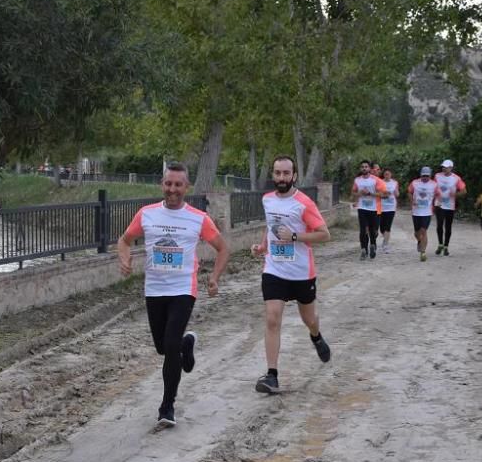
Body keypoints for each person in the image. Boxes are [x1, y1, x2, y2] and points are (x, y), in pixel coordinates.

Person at [118, 162, 230, 428]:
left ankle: (167, 408)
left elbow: (223, 249)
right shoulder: (147, 214)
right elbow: (124, 240)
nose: (173, 189)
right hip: (154, 289)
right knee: (162, 347)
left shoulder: (198, 218)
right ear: (162, 185)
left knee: (169, 346)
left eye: (178, 184)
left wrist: (213, 278)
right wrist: (125, 260)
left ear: (186, 187)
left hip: (183, 289)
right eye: (169, 184)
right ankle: (186, 344)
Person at [250, 156, 332, 394]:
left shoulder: (303, 203)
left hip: (301, 273)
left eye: (286, 173)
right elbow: (271, 227)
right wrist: (263, 246)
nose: (281, 178)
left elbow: (324, 234)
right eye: (277, 173)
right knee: (272, 318)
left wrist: (295, 237)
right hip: (274, 270)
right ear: (273, 175)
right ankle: (272, 375)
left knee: (309, 319)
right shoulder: (267, 200)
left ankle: (316, 336)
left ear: (294, 176)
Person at [350, 160, 387, 259]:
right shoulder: (357, 180)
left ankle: (373, 245)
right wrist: (359, 194)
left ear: (370, 168)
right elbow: (353, 193)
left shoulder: (375, 180)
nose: (364, 168)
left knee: (373, 230)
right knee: (363, 230)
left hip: (373, 208)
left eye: (366, 166)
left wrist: (370, 194)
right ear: (360, 169)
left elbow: (384, 194)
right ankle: (363, 250)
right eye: (362, 167)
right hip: (362, 207)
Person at [434, 159, 467, 256]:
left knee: (448, 226)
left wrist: (456, 194)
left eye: (446, 167)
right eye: (443, 167)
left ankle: (446, 246)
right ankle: (440, 244)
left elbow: (464, 191)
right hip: (439, 203)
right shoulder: (437, 176)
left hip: (449, 205)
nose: (444, 168)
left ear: (451, 168)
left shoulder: (456, 178)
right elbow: (433, 186)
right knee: (439, 224)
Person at [408, 167, 439, 262]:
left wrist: (437, 202)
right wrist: (412, 201)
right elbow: (409, 192)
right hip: (416, 211)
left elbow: (438, 195)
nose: (425, 177)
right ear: (421, 175)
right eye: (423, 175)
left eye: (427, 176)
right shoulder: (414, 183)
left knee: (423, 231)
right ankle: (419, 241)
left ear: (430, 175)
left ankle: (423, 252)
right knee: (417, 233)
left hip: (427, 211)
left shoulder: (434, 184)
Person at [379, 168, 399, 253]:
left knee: (388, 226)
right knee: (381, 227)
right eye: (385, 174)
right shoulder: (380, 182)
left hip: (391, 207)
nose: (387, 175)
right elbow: (377, 193)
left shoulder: (394, 183)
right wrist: (384, 194)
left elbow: (397, 194)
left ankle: (386, 244)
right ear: (383, 174)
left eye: (388, 174)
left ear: (391, 175)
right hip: (381, 207)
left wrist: (394, 192)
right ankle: (385, 239)